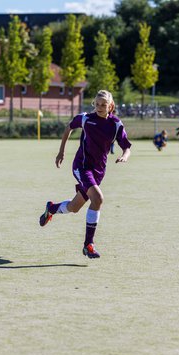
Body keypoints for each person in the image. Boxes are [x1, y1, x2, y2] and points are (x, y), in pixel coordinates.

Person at [39, 90, 132, 259]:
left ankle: (51, 208)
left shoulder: (116, 124)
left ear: (111, 106)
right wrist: (61, 152)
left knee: (74, 207)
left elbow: (126, 146)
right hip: (82, 166)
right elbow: (68, 127)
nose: (99, 107)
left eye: (103, 105)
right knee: (98, 198)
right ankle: (88, 245)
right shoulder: (86, 118)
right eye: (97, 104)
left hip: (99, 171)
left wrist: (125, 156)